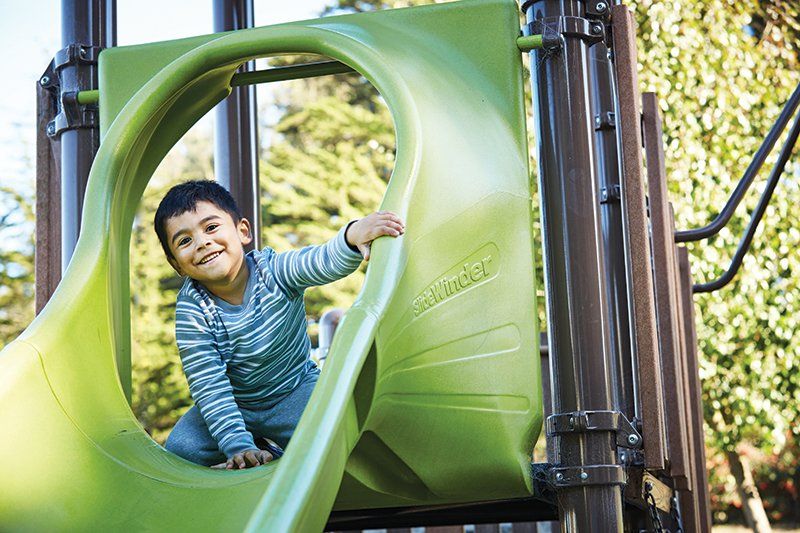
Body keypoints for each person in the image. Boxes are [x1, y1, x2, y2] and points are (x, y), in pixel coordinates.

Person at [153, 180, 404, 469]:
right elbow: (209, 384)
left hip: (294, 391)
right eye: (184, 241)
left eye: (211, 228)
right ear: (177, 265)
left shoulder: (274, 272)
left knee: (337, 430)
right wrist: (238, 446)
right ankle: (254, 449)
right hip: (236, 405)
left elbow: (320, 260)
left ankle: (276, 451)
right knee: (182, 447)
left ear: (242, 231)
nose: (201, 242)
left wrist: (350, 236)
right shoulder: (192, 310)